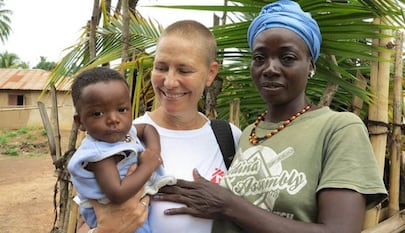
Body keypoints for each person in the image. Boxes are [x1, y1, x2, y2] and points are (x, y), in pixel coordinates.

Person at [150, 1, 388, 233]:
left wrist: (228, 206)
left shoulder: (338, 129)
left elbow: (340, 229)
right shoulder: (244, 135)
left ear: (310, 65)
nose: (270, 68)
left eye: (287, 58)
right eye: (260, 58)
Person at [77, 20, 242, 233]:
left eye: (184, 70)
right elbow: (85, 221)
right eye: (161, 67)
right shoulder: (121, 137)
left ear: (210, 73)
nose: (170, 82)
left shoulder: (229, 138)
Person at [68, 67, 176, 233]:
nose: (113, 119)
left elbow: (147, 128)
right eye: (97, 113)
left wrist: (154, 151)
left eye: (121, 109)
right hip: (115, 216)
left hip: (133, 211)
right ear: (80, 122)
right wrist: (148, 165)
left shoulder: (124, 132)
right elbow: (117, 194)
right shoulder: (98, 155)